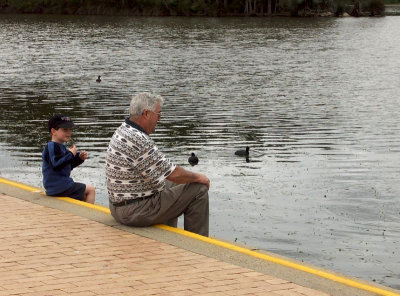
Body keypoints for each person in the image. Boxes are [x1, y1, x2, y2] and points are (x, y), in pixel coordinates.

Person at [106, 93, 210, 236]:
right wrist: (199, 177)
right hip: (134, 211)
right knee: (198, 190)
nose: (159, 119)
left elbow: (164, 171)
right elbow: (174, 174)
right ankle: (198, 245)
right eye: (158, 114)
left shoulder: (123, 130)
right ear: (146, 114)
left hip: (119, 206)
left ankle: (168, 235)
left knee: (173, 186)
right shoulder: (138, 139)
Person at [42, 114, 95, 204]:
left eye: (70, 129)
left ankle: (81, 213)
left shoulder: (60, 147)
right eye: (65, 130)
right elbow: (56, 165)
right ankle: (89, 215)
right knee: (91, 190)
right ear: (53, 131)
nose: (69, 133)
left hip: (58, 187)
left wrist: (79, 158)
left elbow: (66, 166)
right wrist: (71, 154)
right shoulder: (51, 146)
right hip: (59, 186)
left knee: (84, 195)